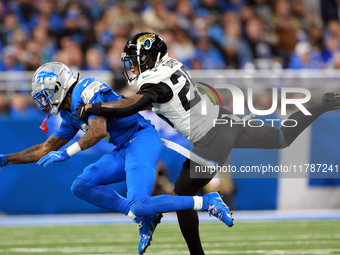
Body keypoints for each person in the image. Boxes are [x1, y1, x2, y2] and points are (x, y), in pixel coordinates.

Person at [76, 32, 340, 255]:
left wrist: (95, 107)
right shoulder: (172, 64)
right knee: (282, 137)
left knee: (182, 194)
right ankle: (322, 105)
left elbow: (131, 106)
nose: (133, 67)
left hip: (211, 138)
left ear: (149, 58)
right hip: (225, 120)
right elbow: (137, 100)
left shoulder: (154, 80)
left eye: (136, 61)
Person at [0, 62, 234, 255]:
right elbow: (45, 148)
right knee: (81, 186)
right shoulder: (67, 112)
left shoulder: (86, 89)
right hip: (124, 147)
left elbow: (98, 130)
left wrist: (67, 152)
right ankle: (142, 218)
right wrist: (5, 159)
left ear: (59, 86)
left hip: (141, 139)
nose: (42, 101)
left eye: (45, 94)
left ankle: (207, 201)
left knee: (140, 202)